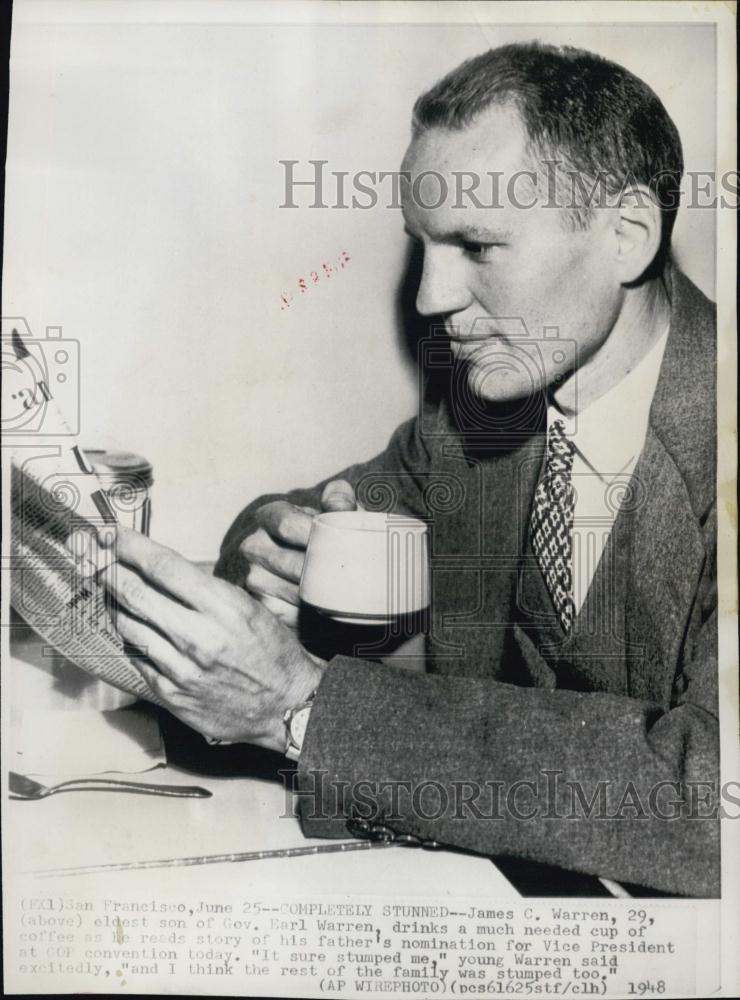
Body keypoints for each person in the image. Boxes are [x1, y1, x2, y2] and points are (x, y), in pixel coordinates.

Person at [98, 43, 718, 896]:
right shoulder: (475, 425)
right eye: (422, 245)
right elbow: (291, 513)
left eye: (475, 243)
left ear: (628, 235)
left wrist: (303, 706)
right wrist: (277, 548)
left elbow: (708, 797)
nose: (430, 298)